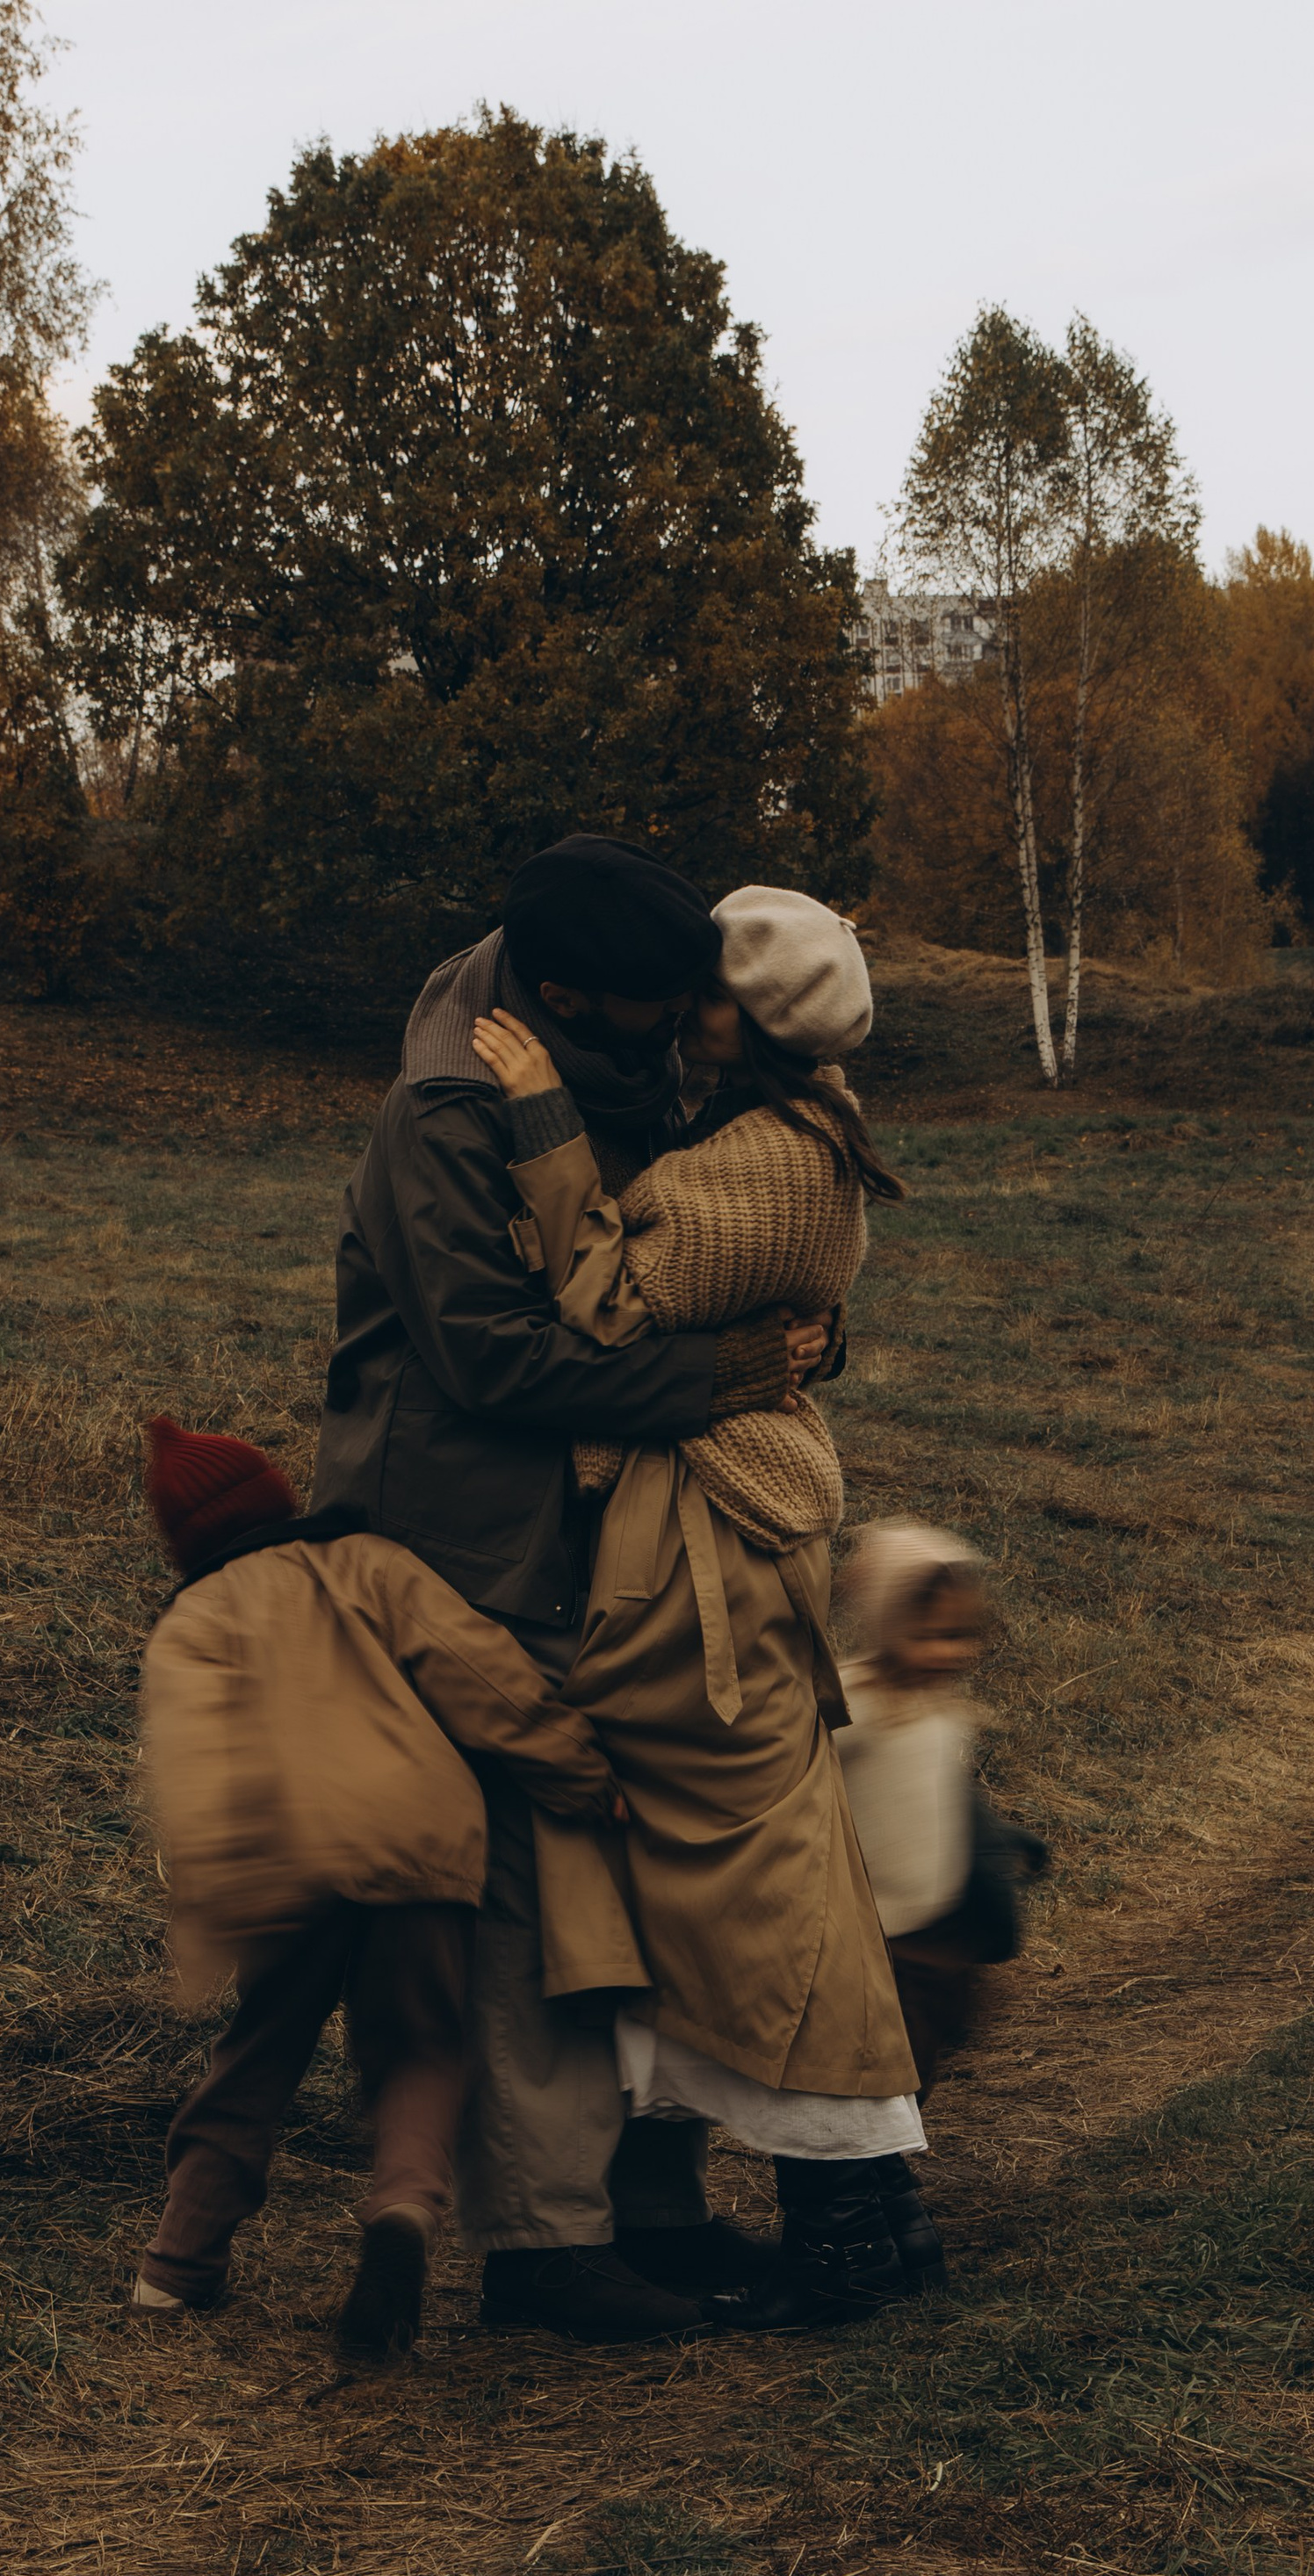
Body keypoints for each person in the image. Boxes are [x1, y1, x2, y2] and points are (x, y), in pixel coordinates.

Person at [312, 836, 826, 2346]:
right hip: (470, 1554)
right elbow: (491, 1358)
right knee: (534, 1903)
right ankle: (544, 2245)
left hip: (621, 1540)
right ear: (563, 992)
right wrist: (723, 1374)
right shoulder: (448, 1115)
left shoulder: (612, 1055)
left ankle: (651, 2214)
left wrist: (794, 1329)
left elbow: (683, 1255)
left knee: (663, 1871)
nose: (680, 1042)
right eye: (652, 1015)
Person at [469, 886, 942, 2333]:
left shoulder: (762, 1160)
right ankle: (749, 2208)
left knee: (750, 1871)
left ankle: (847, 2219)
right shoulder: (785, 1129)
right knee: (729, 1865)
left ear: (752, 1023)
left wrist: (544, 1124)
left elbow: (606, 1299)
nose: (682, 1006)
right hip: (725, 1530)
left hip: (710, 1545)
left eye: (708, 991)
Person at [131, 1416, 622, 2356]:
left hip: (289, 1869)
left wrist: (214, 1916)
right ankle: (401, 2214)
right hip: (418, 1849)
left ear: (181, 1539)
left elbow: (196, 1784)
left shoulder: (189, 1627)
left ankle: (177, 2268)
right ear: (278, 1498)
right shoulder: (366, 1563)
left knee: (257, 2056)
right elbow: (484, 1677)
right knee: (422, 2050)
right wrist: (581, 1774)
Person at [834, 1520, 1046, 2099]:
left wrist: (999, 1835)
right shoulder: (852, 1701)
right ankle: (861, 2175)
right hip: (872, 1942)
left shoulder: (940, 1709)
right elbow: (797, 1775)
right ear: (886, 1625)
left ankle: (890, 2160)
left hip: (934, 1932)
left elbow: (936, 1798)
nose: (950, 1651)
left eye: (961, 1633)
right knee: (876, 2069)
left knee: (921, 2055)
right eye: (928, 1633)